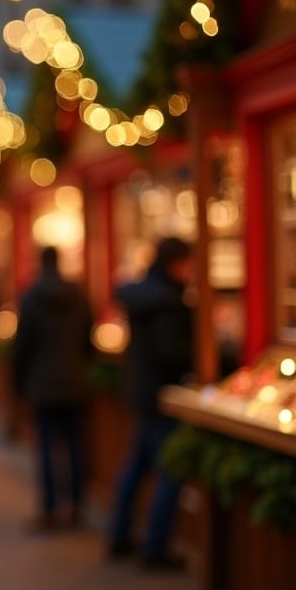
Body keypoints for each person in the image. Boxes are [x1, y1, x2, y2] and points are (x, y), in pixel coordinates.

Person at [107, 236, 195, 571]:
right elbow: (171, 352)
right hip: (163, 396)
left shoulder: (142, 293)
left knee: (137, 466)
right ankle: (155, 547)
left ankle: (120, 534)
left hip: (140, 391)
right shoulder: (169, 301)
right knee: (169, 472)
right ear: (177, 263)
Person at [12, 246, 95, 532]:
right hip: (74, 381)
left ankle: (49, 509)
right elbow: (89, 339)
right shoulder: (79, 296)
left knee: (48, 449)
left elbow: (22, 346)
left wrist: (19, 383)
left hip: (43, 383)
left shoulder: (32, 297)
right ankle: (75, 506)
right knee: (75, 447)